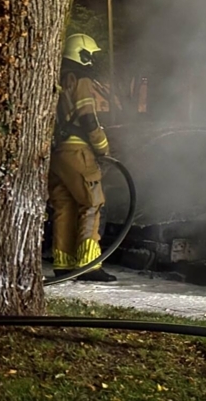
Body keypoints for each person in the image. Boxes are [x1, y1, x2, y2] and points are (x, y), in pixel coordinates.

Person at [49, 33, 116, 282]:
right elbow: (88, 117)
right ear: (83, 54)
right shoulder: (82, 80)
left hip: (57, 154)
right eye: (91, 54)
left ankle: (63, 264)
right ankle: (89, 264)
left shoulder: (57, 80)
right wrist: (102, 146)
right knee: (91, 203)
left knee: (64, 206)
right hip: (78, 151)